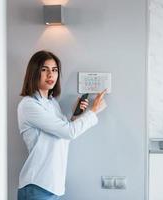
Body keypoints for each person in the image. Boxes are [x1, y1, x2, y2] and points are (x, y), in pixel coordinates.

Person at [17, 50, 106, 200]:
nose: (50, 75)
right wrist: (94, 111)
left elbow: (62, 136)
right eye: (44, 70)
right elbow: (68, 132)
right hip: (37, 186)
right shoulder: (29, 105)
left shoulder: (52, 103)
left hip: (53, 186)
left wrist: (75, 115)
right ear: (34, 72)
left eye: (54, 70)